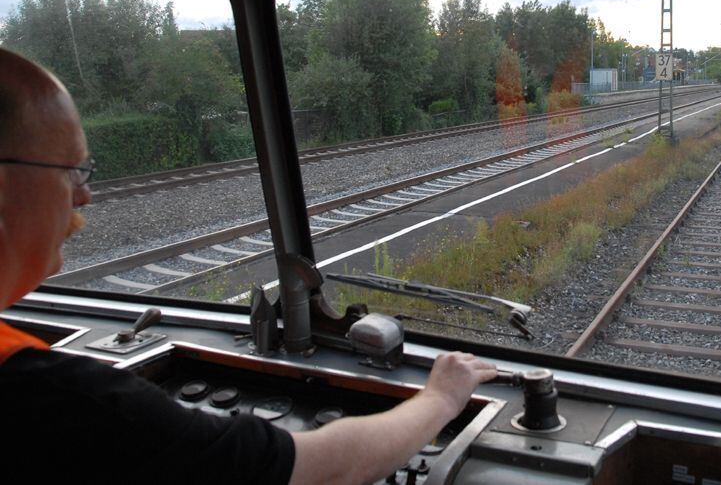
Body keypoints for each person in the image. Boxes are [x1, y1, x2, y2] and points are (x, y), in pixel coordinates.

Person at [0, 47, 497, 484]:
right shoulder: (51, 401)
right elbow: (323, 470)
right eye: (71, 170)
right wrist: (441, 399)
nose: (85, 194)